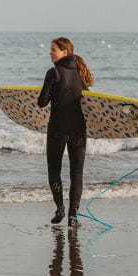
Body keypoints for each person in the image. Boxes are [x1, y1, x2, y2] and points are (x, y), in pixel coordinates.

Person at [37, 37, 94, 226]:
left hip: (57, 129)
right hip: (79, 130)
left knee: (54, 171)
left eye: (53, 49)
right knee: (77, 173)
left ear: (65, 52)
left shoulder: (53, 72)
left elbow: (42, 102)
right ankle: (73, 216)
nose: (50, 52)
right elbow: (88, 102)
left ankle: (60, 208)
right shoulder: (80, 72)